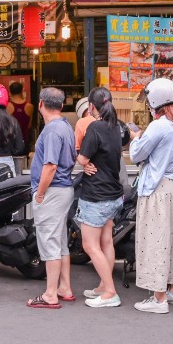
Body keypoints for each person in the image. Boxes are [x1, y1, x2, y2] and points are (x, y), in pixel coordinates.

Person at [128, 78, 173, 313]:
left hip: (158, 188)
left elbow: (137, 155)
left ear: (155, 101)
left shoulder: (160, 125)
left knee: (155, 241)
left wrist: (136, 137)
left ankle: (159, 298)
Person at [27, 87, 76, 309]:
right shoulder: (65, 126)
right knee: (59, 240)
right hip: (63, 190)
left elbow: (51, 165)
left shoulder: (53, 130)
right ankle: (64, 288)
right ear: (62, 105)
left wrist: (40, 193)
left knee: (49, 241)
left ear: (40, 105)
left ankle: (50, 294)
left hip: (53, 190)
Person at [76, 88, 124, 308]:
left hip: (97, 195)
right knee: (106, 241)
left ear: (92, 107)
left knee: (90, 245)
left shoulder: (95, 127)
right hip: (113, 194)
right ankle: (104, 285)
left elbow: (82, 158)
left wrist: (84, 163)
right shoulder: (116, 128)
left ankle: (110, 292)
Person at [7, 82, 34, 148]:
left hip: (11, 143)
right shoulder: (29, 106)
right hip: (25, 141)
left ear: (10, 92)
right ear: (22, 91)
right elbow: (29, 125)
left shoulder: (7, 106)